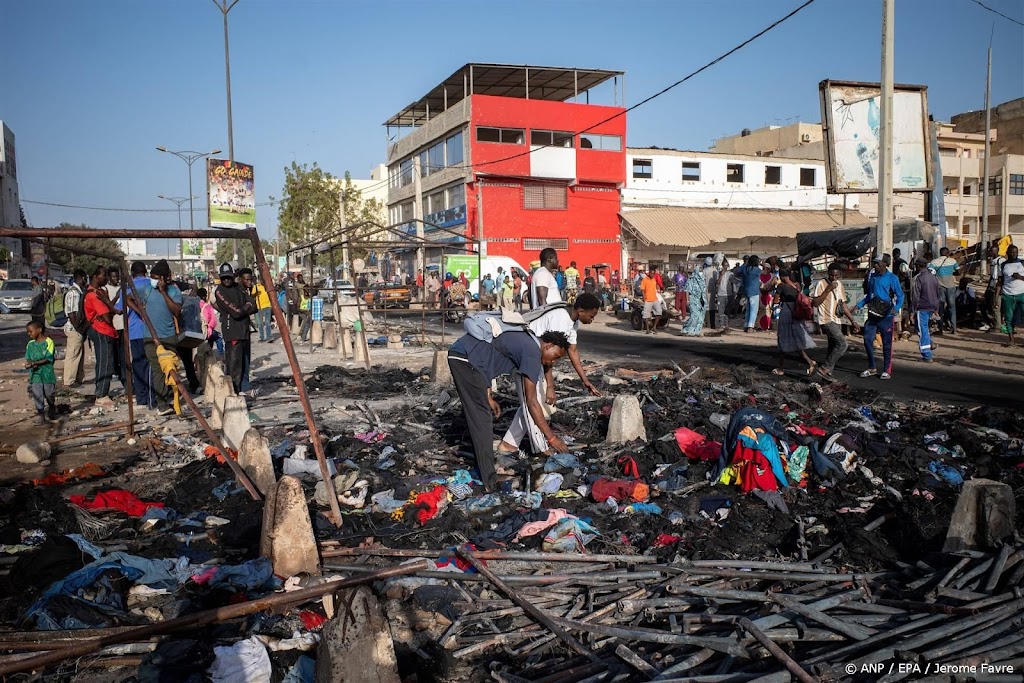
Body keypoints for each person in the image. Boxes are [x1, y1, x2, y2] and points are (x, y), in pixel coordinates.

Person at [448, 329, 571, 491]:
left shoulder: (527, 341)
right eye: (556, 356)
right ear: (549, 345)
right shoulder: (533, 352)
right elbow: (532, 402)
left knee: (481, 415)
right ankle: (490, 480)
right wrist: (552, 438)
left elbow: (488, 355)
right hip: (464, 359)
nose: (552, 362)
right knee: (482, 419)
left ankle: (485, 469)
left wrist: (488, 395)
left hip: (465, 355)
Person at [497, 293, 604, 459]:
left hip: (537, 359)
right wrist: (550, 387)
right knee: (533, 402)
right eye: (591, 316)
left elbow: (572, 351)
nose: (592, 320)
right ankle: (540, 448)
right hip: (526, 358)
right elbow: (548, 353)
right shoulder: (559, 318)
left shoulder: (573, 321)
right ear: (581, 310)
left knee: (532, 402)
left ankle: (509, 444)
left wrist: (586, 381)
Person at [130, 259, 185, 416]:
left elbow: (176, 311)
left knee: (170, 369)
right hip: (149, 338)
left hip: (168, 337)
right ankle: (162, 403)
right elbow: (128, 298)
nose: (153, 280)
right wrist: (140, 312)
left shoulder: (174, 292)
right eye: (152, 276)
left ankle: (173, 398)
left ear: (165, 278)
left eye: (157, 277)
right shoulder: (145, 289)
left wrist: (163, 292)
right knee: (157, 370)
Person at [852, 255, 905, 380]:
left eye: (877, 263)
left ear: (885, 264)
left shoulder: (892, 278)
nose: (875, 266)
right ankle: (872, 367)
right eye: (874, 263)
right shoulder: (873, 277)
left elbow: (900, 296)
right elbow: (869, 296)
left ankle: (887, 370)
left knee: (887, 344)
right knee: (867, 339)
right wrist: (858, 305)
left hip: (886, 315)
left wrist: (896, 308)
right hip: (873, 314)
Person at [811, 263, 859, 380]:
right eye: (831, 275)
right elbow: (815, 303)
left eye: (836, 276)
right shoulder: (822, 284)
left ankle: (827, 376)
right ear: (828, 273)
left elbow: (843, 305)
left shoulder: (840, 285)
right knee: (843, 344)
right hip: (826, 320)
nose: (833, 278)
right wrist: (828, 289)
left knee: (832, 348)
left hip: (836, 319)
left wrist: (853, 321)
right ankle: (824, 368)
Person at [214, 263, 257, 394]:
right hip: (232, 332)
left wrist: (245, 307)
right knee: (234, 365)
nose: (226, 280)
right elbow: (236, 312)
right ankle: (233, 392)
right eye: (224, 278)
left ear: (233, 276)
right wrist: (246, 307)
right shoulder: (219, 291)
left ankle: (244, 388)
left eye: (228, 277)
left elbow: (254, 305)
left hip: (244, 330)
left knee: (245, 362)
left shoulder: (239, 288)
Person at [84, 266, 118, 407]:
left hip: (105, 331)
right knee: (105, 363)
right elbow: (107, 317)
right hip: (101, 330)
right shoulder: (94, 295)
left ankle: (101, 392)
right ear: (96, 276)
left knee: (104, 362)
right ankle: (101, 395)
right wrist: (110, 307)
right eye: (104, 275)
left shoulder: (100, 292)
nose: (107, 278)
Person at [772, 268, 817, 376]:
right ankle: (810, 362)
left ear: (781, 276)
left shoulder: (781, 286)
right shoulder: (796, 285)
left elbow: (775, 301)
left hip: (786, 314)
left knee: (783, 340)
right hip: (796, 314)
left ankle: (781, 368)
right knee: (795, 341)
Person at [126, 262, 155, 409]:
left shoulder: (128, 287)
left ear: (132, 273)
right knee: (151, 363)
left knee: (138, 364)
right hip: (152, 330)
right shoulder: (152, 285)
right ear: (146, 271)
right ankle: (153, 395)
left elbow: (119, 309)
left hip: (135, 331)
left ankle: (141, 397)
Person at [25, 320, 57, 424]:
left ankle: (52, 407)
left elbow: (48, 358)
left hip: (47, 373)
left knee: (49, 394)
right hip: (35, 374)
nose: (29, 334)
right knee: (37, 395)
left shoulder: (49, 342)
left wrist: (35, 363)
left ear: (39, 330)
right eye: (28, 332)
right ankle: (41, 415)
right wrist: (30, 363)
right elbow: (28, 357)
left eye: (31, 331)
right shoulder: (30, 344)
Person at [62, 269, 88, 389]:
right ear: (82, 278)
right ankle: (69, 381)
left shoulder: (78, 292)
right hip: (74, 328)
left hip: (77, 328)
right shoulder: (73, 293)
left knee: (78, 354)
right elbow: (72, 313)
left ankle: (77, 378)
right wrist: (79, 328)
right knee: (72, 355)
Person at [912, 257, 941, 363]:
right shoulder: (933, 277)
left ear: (918, 266)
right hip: (932, 306)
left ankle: (927, 355)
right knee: (921, 328)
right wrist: (936, 308)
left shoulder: (918, 278)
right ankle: (930, 343)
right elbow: (938, 293)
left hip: (922, 307)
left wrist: (913, 310)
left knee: (922, 329)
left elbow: (915, 295)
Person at [997, 245, 1024, 347]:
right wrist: (996, 297)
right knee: (1008, 318)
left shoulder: (1022, 263)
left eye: (1016, 252)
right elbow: (1000, 282)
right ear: (1007, 253)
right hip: (1007, 294)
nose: (1014, 254)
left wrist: (1020, 277)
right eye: (1012, 252)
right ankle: (1011, 339)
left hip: (1021, 294)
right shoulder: (1003, 265)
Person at [929, 247, 960, 335]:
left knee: (940, 308)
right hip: (950, 286)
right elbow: (958, 272)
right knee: (952, 308)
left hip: (940, 287)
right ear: (948, 253)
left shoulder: (934, 262)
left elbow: (930, 272)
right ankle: (954, 328)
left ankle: (940, 329)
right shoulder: (953, 261)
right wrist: (950, 273)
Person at [103, 268, 125, 387]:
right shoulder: (105, 289)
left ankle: (123, 372)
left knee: (122, 350)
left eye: (117, 276)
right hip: (113, 324)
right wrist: (117, 297)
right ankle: (115, 371)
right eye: (114, 276)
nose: (116, 279)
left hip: (122, 324)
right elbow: (108, 306)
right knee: (113, 350)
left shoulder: (122, 288)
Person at [982, 243, 1006, 333]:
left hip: (998, 286)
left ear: (996, 251)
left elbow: (1000, 276)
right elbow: (992, 276)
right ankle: (997, 323)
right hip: (993, 285)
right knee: (993, 305)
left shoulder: (1001, 261)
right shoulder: (993, 261)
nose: (990, 253)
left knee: (997, 306)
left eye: (992, 251)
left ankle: (998, 326)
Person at [737, 256, 763, 332]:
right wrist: (763, 264)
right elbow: (765, 272)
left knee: (748, 309)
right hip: (754, 291)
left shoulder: (745, 269)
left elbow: (738, 272)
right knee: (754, 309)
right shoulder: (756, 270)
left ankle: (746, 325)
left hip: (746, 291)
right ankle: (751, 327)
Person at [681, 267, 707, 337]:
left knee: (700, 317)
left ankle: (696, 331)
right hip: (692, 299)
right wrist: (687, 300)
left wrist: (704, 300)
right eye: (700, 271)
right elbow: (687, 290)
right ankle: (686, 330)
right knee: (694, 316)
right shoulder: (691, 279)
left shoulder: (702, 280)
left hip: (699, 300)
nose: (700, 273)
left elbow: (704, 291)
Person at [640, 269, 664, 334]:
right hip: (648, 299)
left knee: (659, 312)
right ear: (649, 273)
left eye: (653, 273)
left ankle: (654, 327)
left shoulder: (654, 280)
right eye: (651, 273)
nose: (652, 274)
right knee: (646, 315)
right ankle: (647, 329)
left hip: (655, 299)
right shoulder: (645, 280)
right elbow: (642, 290)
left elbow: (655, 287)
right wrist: (644, 298)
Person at [252, 273, 273, 342]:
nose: (261, 281)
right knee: (260, 323)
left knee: (267, 322)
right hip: (259, 307)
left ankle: (269, 337)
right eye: (260, 279)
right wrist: (256, 294)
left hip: (267, 306)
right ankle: (262, 337)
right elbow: (252, 295)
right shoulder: (256, 287)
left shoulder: (267, 286)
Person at [702, 257, 719, 328]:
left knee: (706, 306)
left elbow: (702, 281)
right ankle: (713, 324)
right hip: (713, 291)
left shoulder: (704, 271)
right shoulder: (714, 270)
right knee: (712, 306)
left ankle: (707, 323)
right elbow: (717, 281)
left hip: (705, 290)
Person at [717, 259, 734, 329]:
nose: (725, 267)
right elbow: (717, 282)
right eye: (724, 265)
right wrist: (721, 274)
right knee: (721, 310)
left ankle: (726, 324)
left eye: (727, 266)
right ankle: (721, 324)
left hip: (728, 294)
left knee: (727, 310)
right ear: (722, 266)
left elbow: (733, 284)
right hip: (721, 294)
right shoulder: (719, 273)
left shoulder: (731, 274)